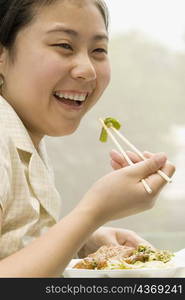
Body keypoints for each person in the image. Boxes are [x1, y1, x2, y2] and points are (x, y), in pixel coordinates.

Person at [0, 0, 175, 277]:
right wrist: (92, 213)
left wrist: (82, 240)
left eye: (98, 50)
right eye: (64, 46)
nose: (88, 70)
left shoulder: (25, 138)